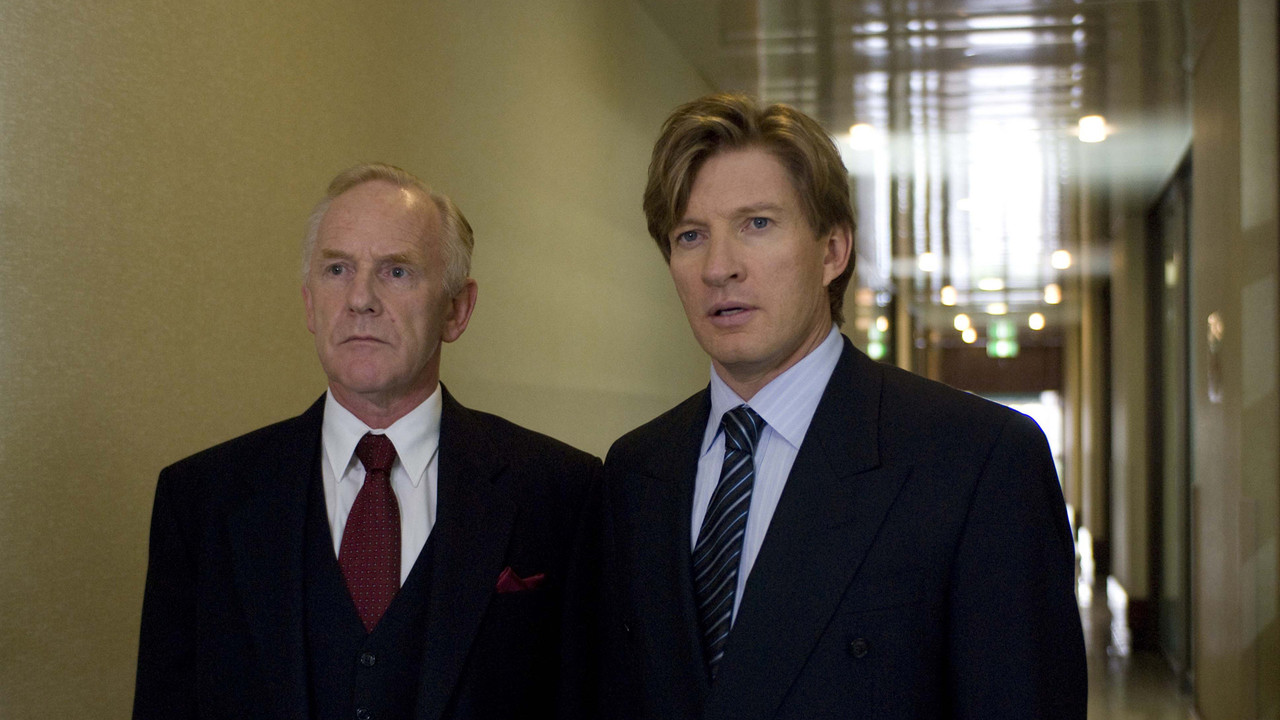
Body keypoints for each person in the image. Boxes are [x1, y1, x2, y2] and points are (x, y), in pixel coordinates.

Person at [597, 94, 1086, 719]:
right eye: (691, 236)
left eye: (757, 224)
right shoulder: (636, 470)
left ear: (833, 251)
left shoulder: (977, 460)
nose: (719, 268)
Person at [134, 163, 600, 720]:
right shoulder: (200, 499)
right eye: (337, 269)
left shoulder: (562, 491)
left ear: (457, 309)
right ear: (310, 303)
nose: (360, 299)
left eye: (396, 271)